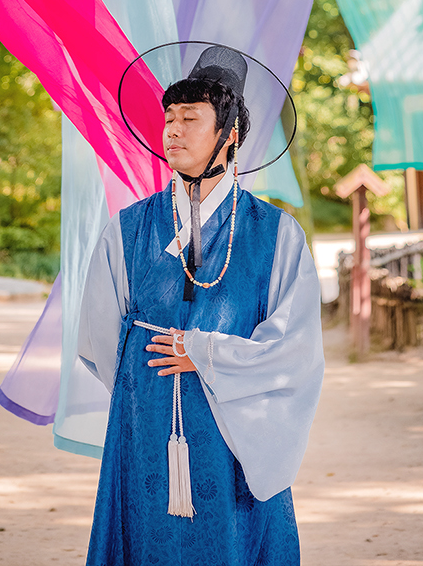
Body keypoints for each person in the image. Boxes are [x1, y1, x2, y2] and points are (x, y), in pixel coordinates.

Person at [78, 45, 324, 566]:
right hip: (145, 423)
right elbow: (98, 334)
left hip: (232, 430)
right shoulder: (129, 230)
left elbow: (296, 347)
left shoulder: (277, 235)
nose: (173, 130)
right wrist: (143, 391)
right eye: (169, 118)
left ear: (229, 134)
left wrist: (208, 355)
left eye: (191, 119)